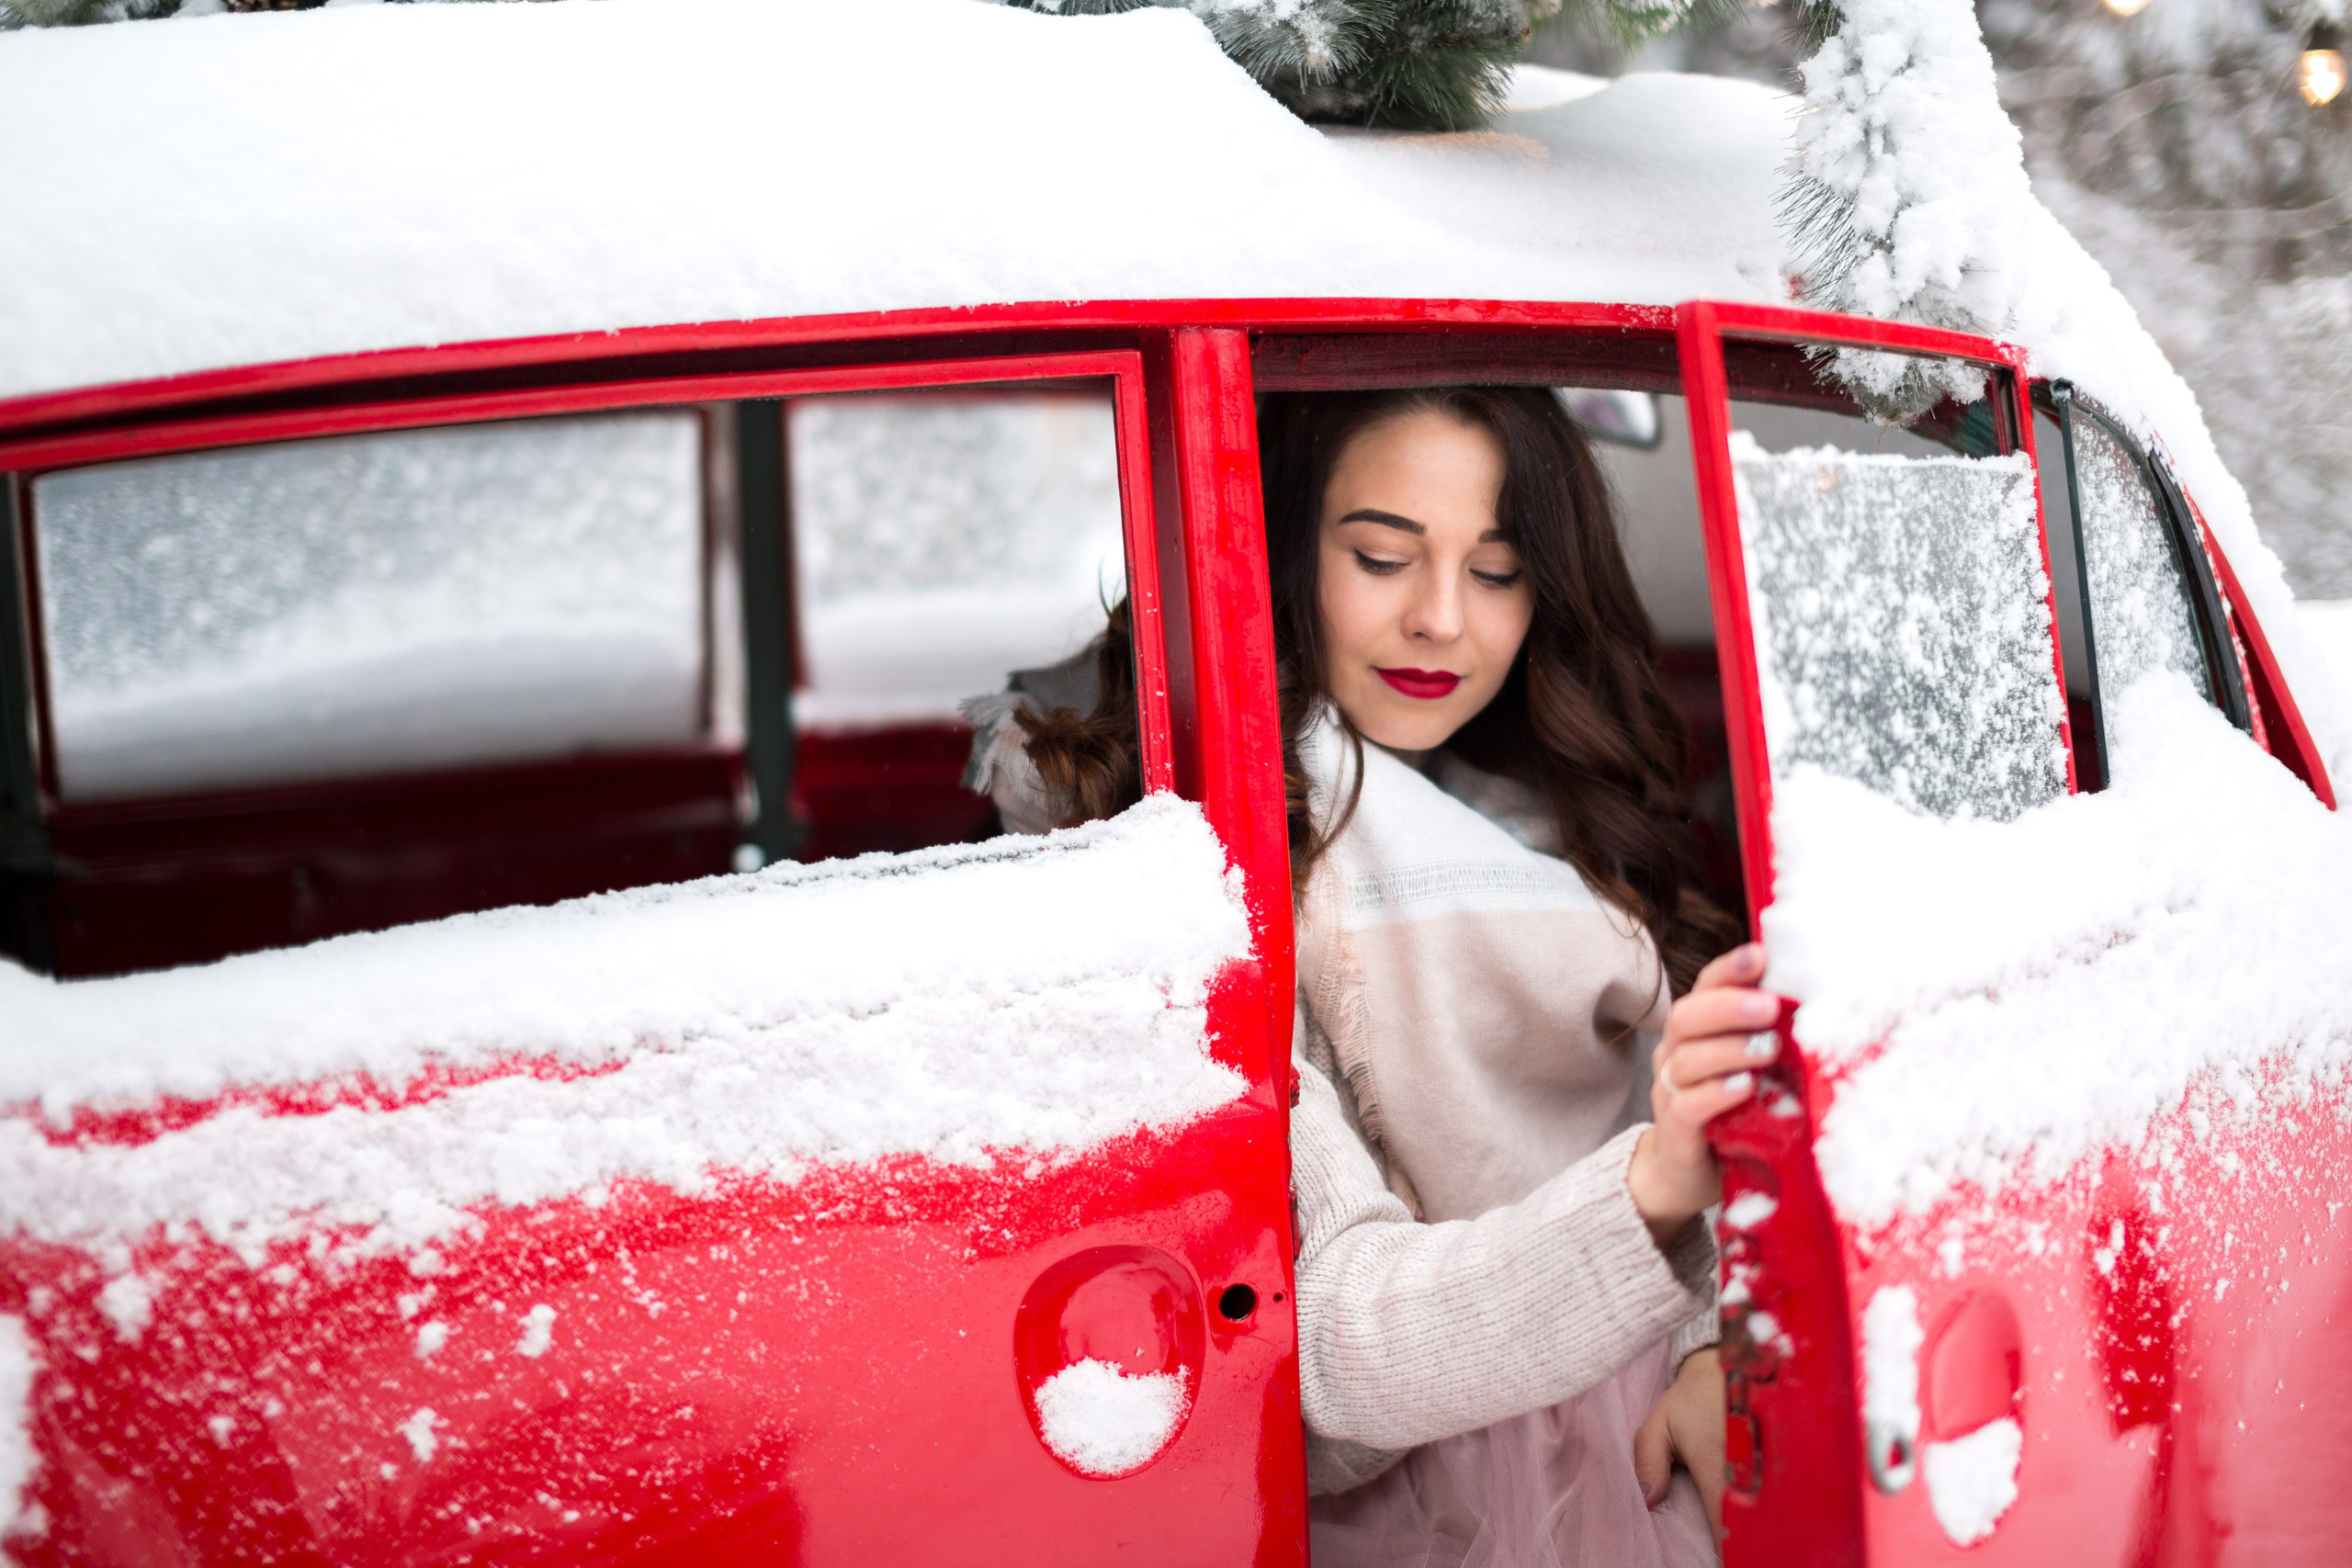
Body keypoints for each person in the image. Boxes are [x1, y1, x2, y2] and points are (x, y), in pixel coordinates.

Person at [965, 387, 1777, 1567]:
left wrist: (1712, 1338)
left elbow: (1721, 1164)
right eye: (1383, 558)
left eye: (1496, 573)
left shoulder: (1555, 808)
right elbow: (1333, 1346)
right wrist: (1652, 1189)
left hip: (1646, 1445)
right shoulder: (1204, 873)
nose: (1440, 619)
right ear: (1285, 554)